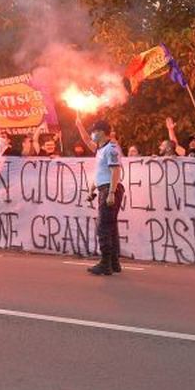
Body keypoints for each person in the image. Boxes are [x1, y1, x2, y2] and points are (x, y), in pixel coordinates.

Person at [76, 117, 123, 275]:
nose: (92, 134)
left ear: (102, 132)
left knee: (103, 227)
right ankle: (114, 263)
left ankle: (105, 263)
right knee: (111, 228)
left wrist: (111, 193)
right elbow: (100, 172)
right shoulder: (101, 149)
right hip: (104, 188)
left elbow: (115, 171)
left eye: (95, 131)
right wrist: (79, 125)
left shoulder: (111, 148)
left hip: (110, 189)